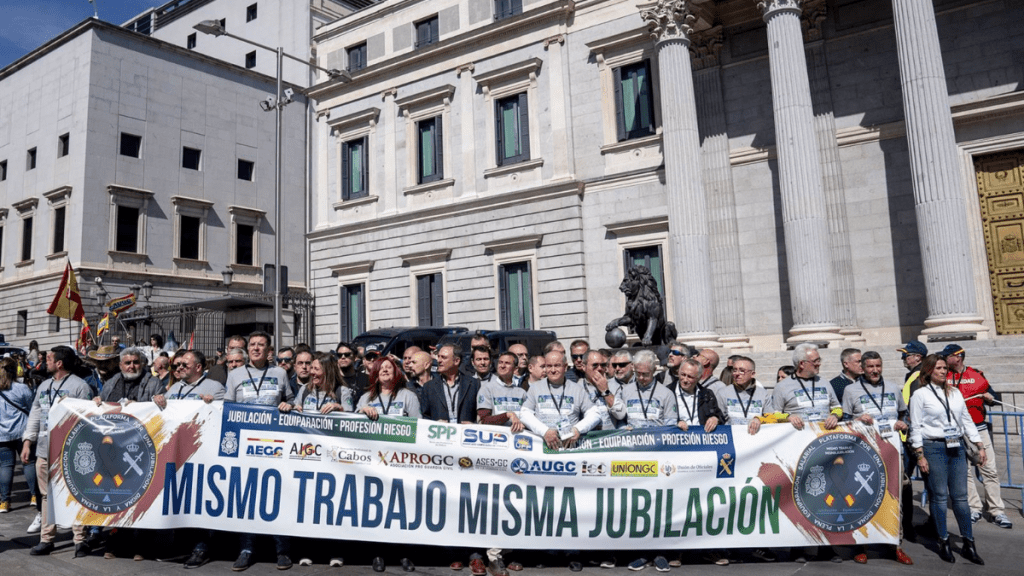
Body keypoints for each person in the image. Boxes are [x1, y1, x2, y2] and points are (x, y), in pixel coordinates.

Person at [224, 331, 294, 570]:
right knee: (248, 497)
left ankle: (282, 549)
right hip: (246, 445)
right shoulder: (235, 375)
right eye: (252, 344)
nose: (255, 348)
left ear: (269, 350)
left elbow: (294, 402)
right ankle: (246, 548)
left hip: (275, 445)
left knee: (278, 496)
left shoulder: (280, 373)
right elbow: (228, 409)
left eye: (260, 345)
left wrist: (290, 404)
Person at [909, 354, 985, 565]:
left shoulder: (955, 393)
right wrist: (920, 454)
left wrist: (979, 444)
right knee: (940, 497)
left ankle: (969, 543)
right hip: (933, 448)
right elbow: (915, 426)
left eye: (945, 368)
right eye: (939, 368)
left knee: (961, 497)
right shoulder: (920, 395)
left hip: (957, 447)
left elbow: (966, 419)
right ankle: (943, 541)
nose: (943, 372)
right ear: (928, 371)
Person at [840, 351, 912, 565]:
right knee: (862, 497)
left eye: (878, 366)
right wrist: (856, 418)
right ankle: (859, 546)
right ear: (862, 368)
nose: (874, 370)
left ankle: (895, 544)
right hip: (863, 452)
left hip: (891, 450)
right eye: (870, 366)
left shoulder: (892, 387)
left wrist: (902, 422)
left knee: (894, 497)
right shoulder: (850, 390)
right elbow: (844, 420)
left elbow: (903, 413)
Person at [22, 346, 94, 556]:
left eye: (50, 358)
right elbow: (35, 415)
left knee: (76, 493)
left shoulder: (80, 387)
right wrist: (28, 442)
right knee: (46, 496)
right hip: (44, 450)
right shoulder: (43, 385)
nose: (45, 361)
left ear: (59, 363)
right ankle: (46, 539)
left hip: (71, 451)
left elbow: (88, 420)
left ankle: (80, 539)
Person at [941, 344, 1012, 529]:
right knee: (964, 473)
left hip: (979, 429)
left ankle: (997, 511)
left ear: (958, 357)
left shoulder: (976, 374)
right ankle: (974, 508)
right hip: (955, 432)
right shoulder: (943, 375)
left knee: (989, 469)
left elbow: (994, 398)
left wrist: (990, 397)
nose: (944, 359)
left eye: (947, 356)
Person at [519, 350, 602, 451]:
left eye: (557, 365)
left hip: (570, 448)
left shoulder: (577, 389)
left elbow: (595, 413)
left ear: (565, 367)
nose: (553, 370)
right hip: (542, 449)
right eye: (549, 366)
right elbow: (524, 414)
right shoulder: (535, 388)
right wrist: (544, 431)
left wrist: (577, 429)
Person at [0, 357, 34, 514]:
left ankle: (4, 502)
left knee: (5, 467)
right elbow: (32, 409)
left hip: (2, 435)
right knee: (28, 463)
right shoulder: (22, 389)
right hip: (23, 432)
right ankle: (35, 496)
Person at [421, 345, 479, 424]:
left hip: (466, 434)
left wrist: (473, 425)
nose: (439, 360)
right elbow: (425, 417)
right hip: (440, 434)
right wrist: (435, 424)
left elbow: (480, 415)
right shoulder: (429, 387)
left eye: (444, 357)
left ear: (456, 361)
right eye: (438, 357)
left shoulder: (474, 384)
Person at [619, 350, 676, 429]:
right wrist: (623, 428)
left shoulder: (667, 394)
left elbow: (671, 425)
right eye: (638, 373)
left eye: (645, 374)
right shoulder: (625, 391)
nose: (641, 378)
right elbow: (620, 420)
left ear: (654, 370)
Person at [284, 352, 353, 414]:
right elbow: (295, 407)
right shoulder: (305, 389)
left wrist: (339, 408)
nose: (312, 372)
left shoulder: (342, 392)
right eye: (311, 368)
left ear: (327, 372)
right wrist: (293, 408)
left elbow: (350, 420)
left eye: (316, 369)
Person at [154, 350, 225, 407]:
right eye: (179, 364)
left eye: (185, 365)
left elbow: (223, 412)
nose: (180, 367)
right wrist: (158, 399)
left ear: (198, 367)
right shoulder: (175, 387)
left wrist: (213, 403)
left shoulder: (215, 388)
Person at [477, 351, 526, 431]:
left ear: (515, 369)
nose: (502, 366)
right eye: (500, 362)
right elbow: (484, 420)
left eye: (507, 363)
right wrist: (507, 415)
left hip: (517, 439)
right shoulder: (487, 389)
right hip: (495, 438)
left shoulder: (522, 393)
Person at [97, 348, 163, 405]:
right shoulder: (111, 383)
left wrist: (138, 406)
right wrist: (96, 401)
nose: (132, 366)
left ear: (141, 364)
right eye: (128, 363)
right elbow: (101, 401)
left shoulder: (154, 384)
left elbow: (165, 410)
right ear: (120, 365)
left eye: (136, 362)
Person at [579, 350, 625, 431]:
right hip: (588, 439)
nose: (599, 368)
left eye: (603, 365)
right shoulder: (577, 387)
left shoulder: (615, 385)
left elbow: (620, 414)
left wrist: (606, 391)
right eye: (595, 365)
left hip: (610, 438)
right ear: (583, 367)